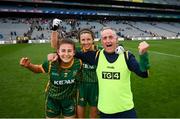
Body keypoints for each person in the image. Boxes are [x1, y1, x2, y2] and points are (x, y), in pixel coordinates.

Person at [74, 27, 150, 118]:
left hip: (126, 110)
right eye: (105, 38)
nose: (108, 40)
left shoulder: (126, 56)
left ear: (116, 39)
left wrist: (143, 55)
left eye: (111, 37)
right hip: (105, 111)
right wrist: (55, 55)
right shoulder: (96, 56)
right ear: (101, 41)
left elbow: (144, 74)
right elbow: (72, 53)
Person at [20, 39, 82, 118]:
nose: (66, 54)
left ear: (74, 52)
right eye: (63, 50)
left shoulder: (79, 63)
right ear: (58, 52)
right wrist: (29, 65)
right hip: (52, 99)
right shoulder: (51, 63)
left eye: (69, 51)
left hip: (69, 100)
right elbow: (38, 69)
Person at [76, 28, 99, 118]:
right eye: (83, 40)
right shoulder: (77, 51)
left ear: (93, 39)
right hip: (81, 85)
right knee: (80, 115)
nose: (86, 42)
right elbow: (58, 48)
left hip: (96, 85)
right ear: (79, 41)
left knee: (93, 114)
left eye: (88, 39)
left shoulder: (100, 51)